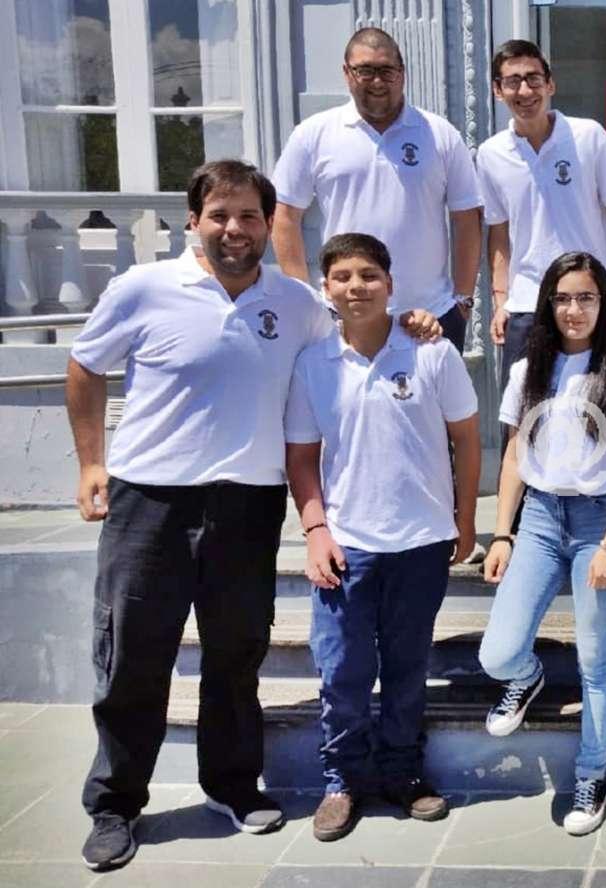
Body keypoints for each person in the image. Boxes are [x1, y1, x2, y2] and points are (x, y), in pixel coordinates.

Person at [65, 161, 338, 872]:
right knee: (133, 658)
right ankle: (116, 804)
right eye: (219, 214)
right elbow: (86, 365)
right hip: (150, 502)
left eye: (248, 215)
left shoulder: (298, 304)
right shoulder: (143, 287)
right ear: (194, 221)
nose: (234, 229)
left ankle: (232, 785)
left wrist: (416, 328)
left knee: (236, 656)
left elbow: (348, 355)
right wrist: (92, 464)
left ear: (268, 224)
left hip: (249, 504)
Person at [284, 233, 481, 842]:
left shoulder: (431, 352)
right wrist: (315, 531)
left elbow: (467, 438)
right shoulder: (313, 365)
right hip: (347, 546)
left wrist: (465, 519)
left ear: (390, 284)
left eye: (369, 275)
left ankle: (402, 773)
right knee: (342, 669)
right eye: (342, 276)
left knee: (406, 667)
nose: (357, 287)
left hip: (421, 542)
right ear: (326, 289)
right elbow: (301, 459)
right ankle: (342, 780)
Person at [477, 252, 606, 836]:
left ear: (605, 305)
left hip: (600, 521)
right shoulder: (529, 370)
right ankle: (526, 678)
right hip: (541, 521)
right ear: (549, 303)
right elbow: (514, 457)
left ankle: (591, 775)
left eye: (587, 298)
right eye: (564, 298)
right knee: (497, 653)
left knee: (596, 660)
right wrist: (503, 533)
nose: (575, 309)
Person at [271, 27, 483, 351]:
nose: (377, 81)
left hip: (430, 317)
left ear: (402, 73)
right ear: (347, 73)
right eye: (365, 71)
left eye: (387, 70)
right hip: (344, 317)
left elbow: (467, 218)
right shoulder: (313, 134)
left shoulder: (440, 134)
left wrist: (462, 301)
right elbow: (284, 215)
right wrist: (304, 298)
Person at [479, 39, 606, 394]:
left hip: (590, 298)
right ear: (498, 91)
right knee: (524, 414)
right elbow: (498, 234)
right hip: (527, 305)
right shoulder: (490, 154)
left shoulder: (588, 136)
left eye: (533, 78)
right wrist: (501, 302)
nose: (524, 90)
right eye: (512, 81)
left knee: (597, 408)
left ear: (550, 84)